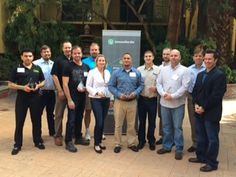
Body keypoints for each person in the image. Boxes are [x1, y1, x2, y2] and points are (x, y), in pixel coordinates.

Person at [189, 49, 227, 172]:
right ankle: (201, 157)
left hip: (211, 112)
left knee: (212, 139)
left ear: (215, 60)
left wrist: (203, 107)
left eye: (209, 59)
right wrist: (195, 104)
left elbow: (216, 96)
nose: (207, 61)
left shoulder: (220, 75)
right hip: (199, 111)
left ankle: (212, 163)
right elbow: (195, 92)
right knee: (201, 136)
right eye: (205, 59)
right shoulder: (200, 74)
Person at [8, 48, 46, 155]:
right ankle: (17, 144)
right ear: (22, 57)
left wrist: (38, 86)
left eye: (30, 56)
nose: (28, 58)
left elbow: (43, 81)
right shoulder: (17, 68)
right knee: (20, 122)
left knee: (37, 121)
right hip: (22, 99)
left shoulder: (37, 68)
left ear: (33, 57)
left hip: (35, 99)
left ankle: (38, 141)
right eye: (25, 56)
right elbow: (10, 84)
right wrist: (22, 87)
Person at [156, 49, 190, 160]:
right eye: (172, 55)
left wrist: (173, 96)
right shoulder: (163, 70)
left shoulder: (185, 70)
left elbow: (184, 87)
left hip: (178, 104)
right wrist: (163, 94)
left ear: (180, 57)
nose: (173, 57)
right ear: (169, 57)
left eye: (176, 55)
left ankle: (179, 148)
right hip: (164, 103)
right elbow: (158, 83)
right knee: (166, 126)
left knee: (177, 127)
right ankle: (167, 146)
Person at [108, 53, 144, 153]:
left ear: (131, 60)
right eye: (125, 58)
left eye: (128, 58)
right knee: (118, 125)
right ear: (122, 60)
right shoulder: (116, 73)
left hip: (132, 102)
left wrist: (135, 93)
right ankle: (117, 143)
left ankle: (131, 143)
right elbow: (111, 86)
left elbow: (141, 85)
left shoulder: (137, 72)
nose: (126, 60)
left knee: (131, 125)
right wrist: (119, 94)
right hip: (119, 102)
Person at [62, 46, 90, 153]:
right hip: (72, 97)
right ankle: (68, 141)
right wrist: (69, 99)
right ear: (72, 54)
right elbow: (65, 84)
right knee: (71, 119)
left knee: (79, 117)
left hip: (82, 97)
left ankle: (78, 137)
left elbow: (88, 82)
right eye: (75, 53)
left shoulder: (86, 67)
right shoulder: (67, 66)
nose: (77, 55)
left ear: (82, 54)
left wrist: (86, 88)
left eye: (79, 53)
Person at [86, 54, 112, 153]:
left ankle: (100, 141)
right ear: (96, 62)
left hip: (106, 99)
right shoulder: (92, 72)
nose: (101, 62)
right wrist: (96, 92)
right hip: (95, 99)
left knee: (102, 121)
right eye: (99, 60)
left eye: (103, 60)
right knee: (99, 121)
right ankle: (96, 144)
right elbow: (88, 86)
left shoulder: (107, 72)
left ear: (105, 62)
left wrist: (111, 99)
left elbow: (110, 86)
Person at [137, 50, 160, 151]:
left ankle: (151, 140)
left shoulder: (158, 70)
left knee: (152, 122)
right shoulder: (139, 69)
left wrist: (157, 89)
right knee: (141, 121)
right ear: (144, 58)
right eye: (146, 56)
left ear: (153, 57)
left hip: (152, 100)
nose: (148, 58)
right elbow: (136, 83)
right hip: (142, 99)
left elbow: (162, 84)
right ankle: (141, 141)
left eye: (150, 56)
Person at [51, 41, 72, 146]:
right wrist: (59, 90)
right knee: (59, 114)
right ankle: (58, 136)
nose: (68, 49)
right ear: (63, 49)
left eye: (69, 48)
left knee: (73, 114)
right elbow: (54, 76)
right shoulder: (58, 60)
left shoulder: (73, 60)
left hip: (73, 93)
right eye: (66, 48)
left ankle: (71, 134)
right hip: (62, 92)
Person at [33, 45, 55, 136]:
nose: (47, 53)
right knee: (38, 114)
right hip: (40, 92)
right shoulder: (35, 64)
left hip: (51, 92)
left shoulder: (53, 64)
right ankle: (38, 134)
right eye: (45, 52)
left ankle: (52, 132)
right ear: (41, 53)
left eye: (48, 51)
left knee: (51, 114)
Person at [187, 47, 205, 152]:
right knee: (193, 121)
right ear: (193, 57)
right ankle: (195, 143)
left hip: (203, 98)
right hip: (191, 97)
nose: (198, 58)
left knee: (203, 120)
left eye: (200, 56)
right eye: (196, 56)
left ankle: (203, 143)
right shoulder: (189, 69)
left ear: (203, 57)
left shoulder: (207, 68)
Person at [82, 42, 100, 141]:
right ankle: (87, 131)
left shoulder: (103, 61)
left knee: (99, 113)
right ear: (90, 51)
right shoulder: (84, 62)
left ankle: (99, 131)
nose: (94, 51)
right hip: (89, 91)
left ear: (99, 50)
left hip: (100, 92)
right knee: (88, 111)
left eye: (96, 50)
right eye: (92, 50)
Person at [156, 48, 171, 145]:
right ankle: (163, 136)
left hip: (172, 97)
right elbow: (158, 82)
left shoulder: (175, 67)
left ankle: (171, 137)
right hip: (161, 96)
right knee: (162, 116)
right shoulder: (159, 68)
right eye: (164, 54)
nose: (165, 56)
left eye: (167, 54)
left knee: (172, 118)